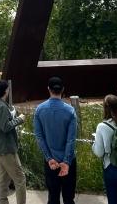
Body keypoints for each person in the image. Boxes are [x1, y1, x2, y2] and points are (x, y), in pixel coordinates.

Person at [33, 76, 78, 204]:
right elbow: (71, 140)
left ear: (48, 89)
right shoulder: (70, 111)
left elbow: (40, 137)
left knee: (53, 197)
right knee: (69, 198)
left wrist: (49, 158)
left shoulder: (39, 110)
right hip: (67, 161)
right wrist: (67, 161)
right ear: (63, 89)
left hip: (51, 162)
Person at [0, 79, 27, 204]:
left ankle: (2, 201)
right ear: (6, 91)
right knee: (20, 178)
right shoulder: (1, 106)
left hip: (0, 148)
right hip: (6, 149)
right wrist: (19, 119)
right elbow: (5, 127)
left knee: (3, 179)